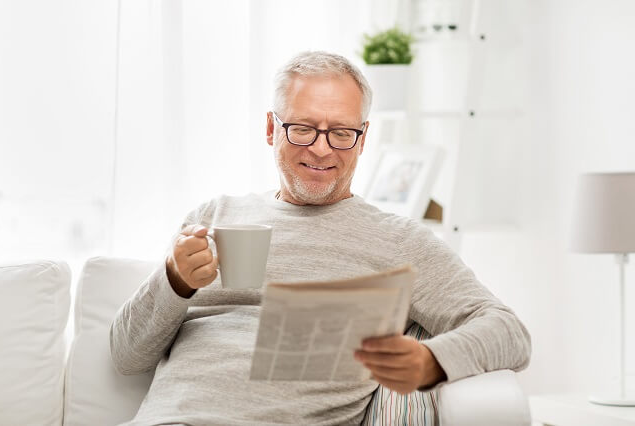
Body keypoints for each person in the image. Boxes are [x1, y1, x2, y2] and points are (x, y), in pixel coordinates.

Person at [110, 51, 531, 425]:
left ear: (363, 139)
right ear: (272, 129)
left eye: (341, 133)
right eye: (304, 129)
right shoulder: (212, 216)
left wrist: (432, 360)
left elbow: (508, 331)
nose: (322, 149)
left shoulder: (398, 241)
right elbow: (127, 356)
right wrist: (174, 279)